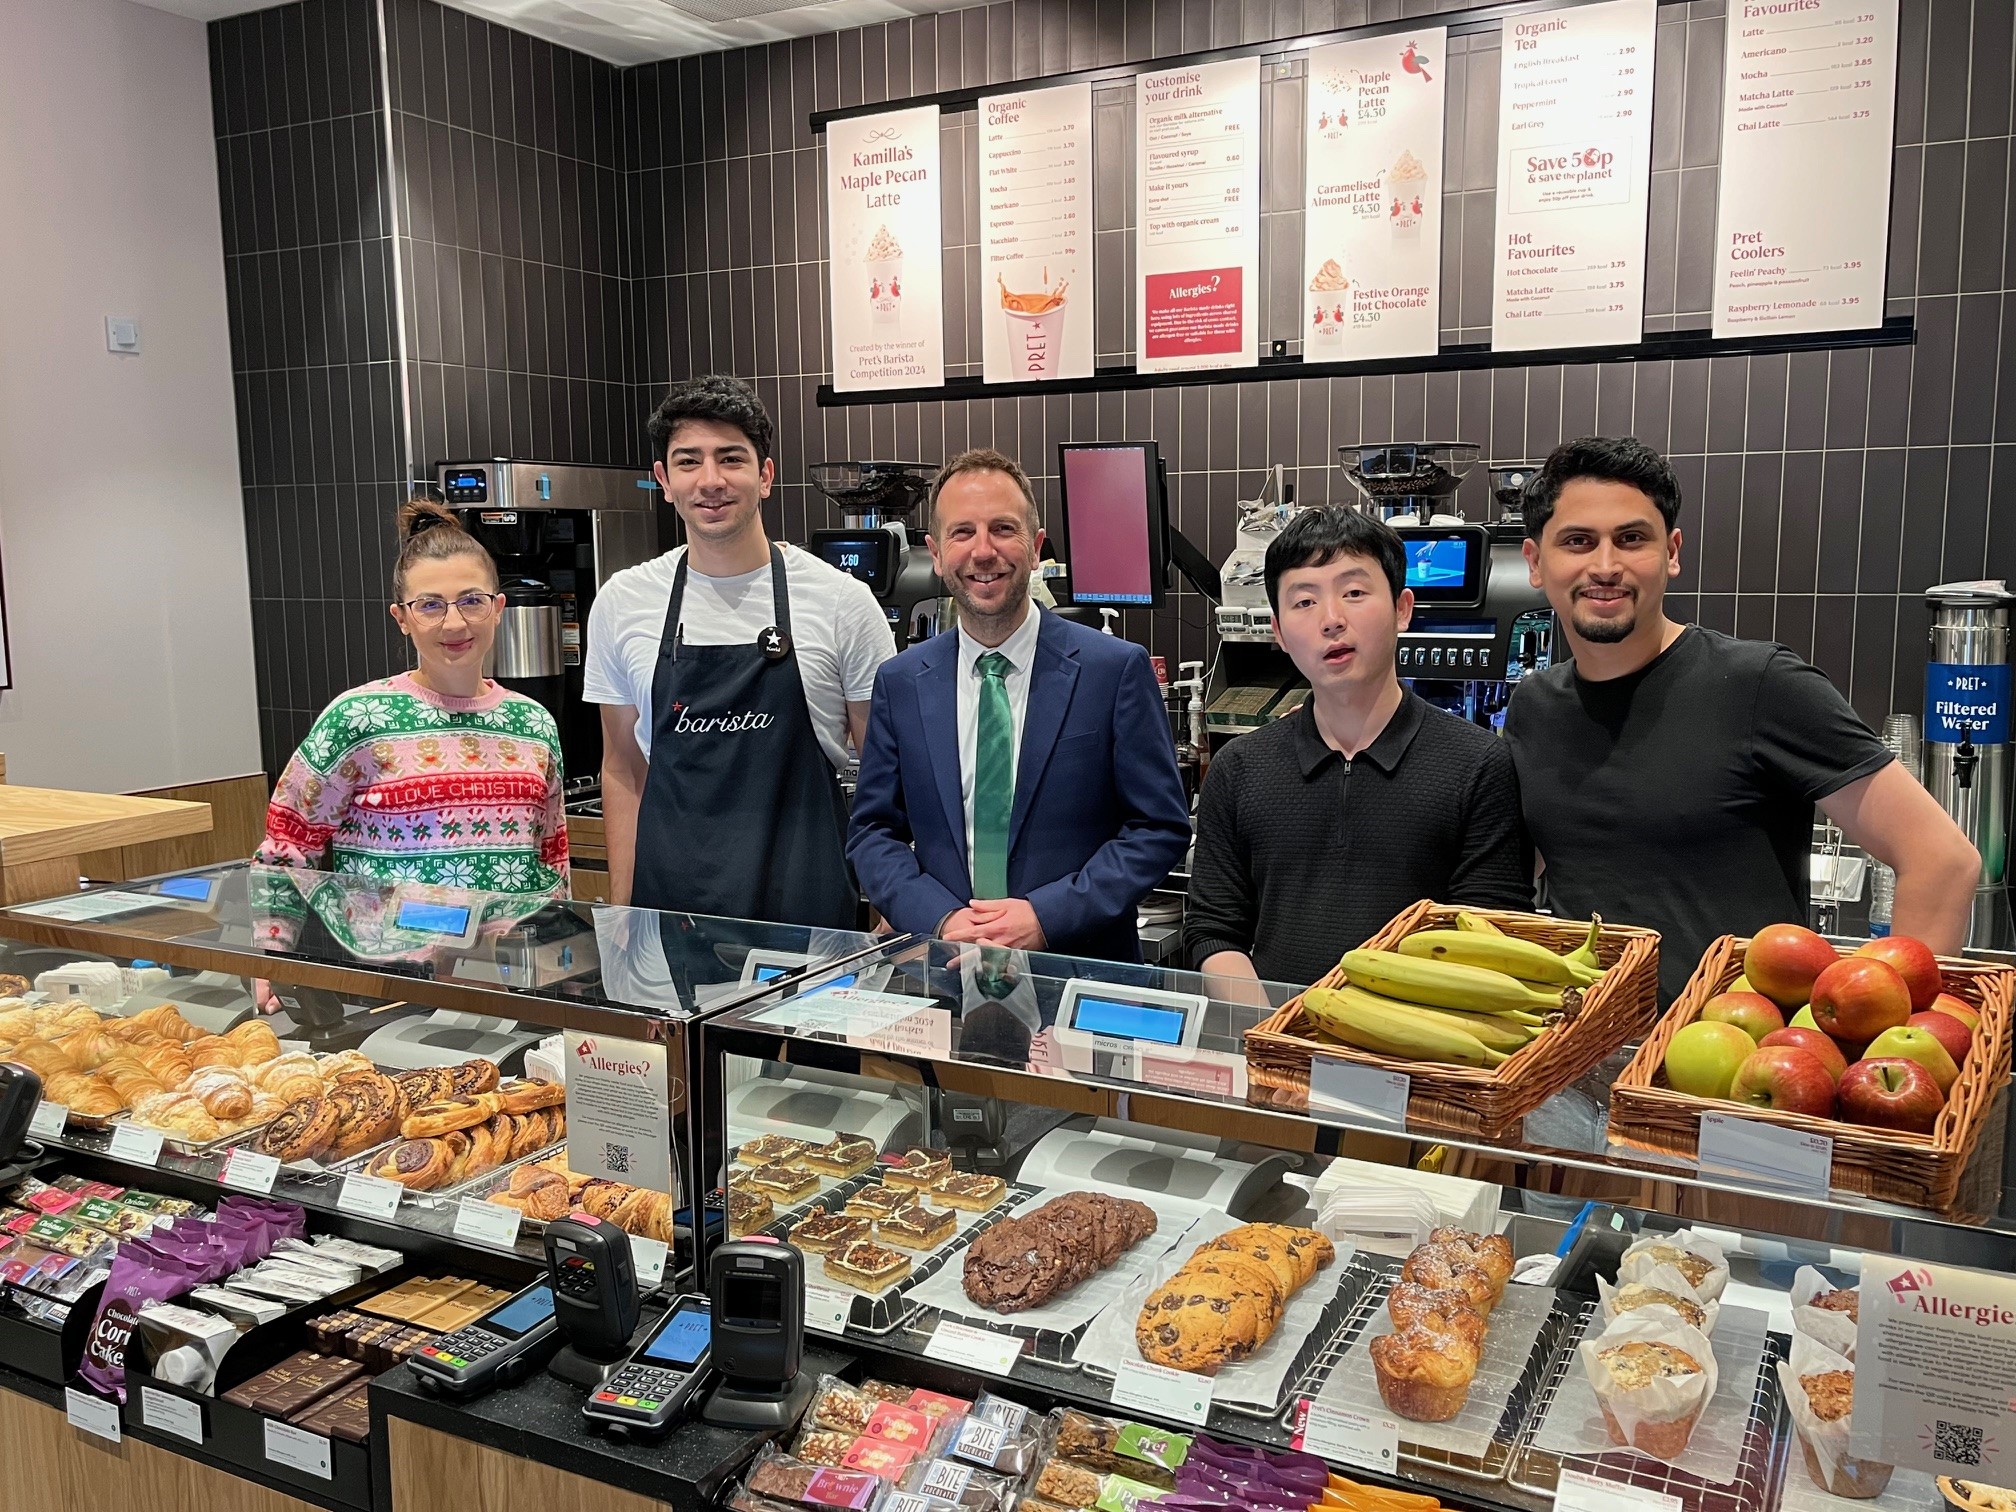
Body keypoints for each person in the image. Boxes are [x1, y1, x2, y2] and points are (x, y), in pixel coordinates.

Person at [1504, 436, 1981, 1002]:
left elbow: (1942, 860)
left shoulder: (1761, 684)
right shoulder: (1534, 706)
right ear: (1536, 561)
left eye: (1631, 539)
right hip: (1573, 1051)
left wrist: (1894, 1036)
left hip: (1737, 1066)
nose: (1605, 566)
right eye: (1578, 542)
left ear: (1672, 552)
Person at [847, 449, 1191, 961]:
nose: (983, 551)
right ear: (936, 554)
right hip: (945, 975)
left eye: (1003, 529)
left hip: (1079, 973)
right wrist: (940, 918)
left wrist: (1048, 916)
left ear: (1035, 549)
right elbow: (873, 833)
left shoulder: (1113, 670)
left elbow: (1158, 828)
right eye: (962, 533)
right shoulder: (901, 681)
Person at [585, 375, 894, 927]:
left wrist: (889, 910)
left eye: (731, 459)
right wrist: (623, 916)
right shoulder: (622, 601)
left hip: (808, 914)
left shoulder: (842, 602)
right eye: (688, 462)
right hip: (667, 918)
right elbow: (624, 768)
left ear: (765, 475)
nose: (710, 481)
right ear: (663, 479)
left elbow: (884, 773)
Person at [1185, 507, 1532, 989]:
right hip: (1273, 1047)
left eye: (1354, 592)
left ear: (1402, 609)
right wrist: (1272, 1031)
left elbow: (1489, 938)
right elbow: (1213, 931)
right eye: (1304, 602)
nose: (1331, 620)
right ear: (1280, 633)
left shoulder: (1478, 766)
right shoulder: (1239, 769)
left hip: (1419, 1051)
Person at [251, 500, 569, 960]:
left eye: (471, 601)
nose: (454, 622)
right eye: (430, 606)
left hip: (509, 978)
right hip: (391, 979)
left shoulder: (534, 724)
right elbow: (286, 848)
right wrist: (270, 954)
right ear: (402, 618)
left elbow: (552, 859)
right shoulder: (359, 717)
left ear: (498, 609)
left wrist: (563, 958)